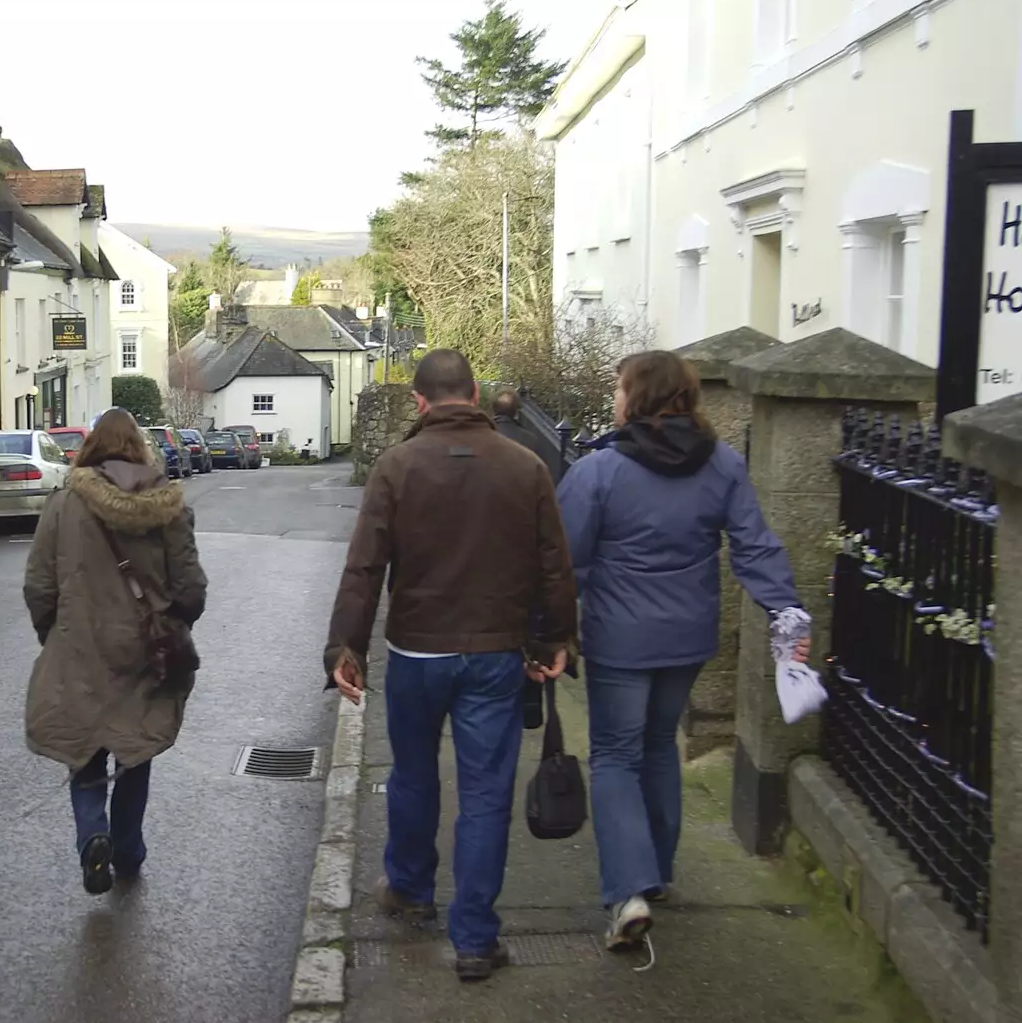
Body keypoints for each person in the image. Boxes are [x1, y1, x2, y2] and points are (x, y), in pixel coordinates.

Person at [324, 349, 577, 982]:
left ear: (419, 402)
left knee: (413, 777)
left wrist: (345, 648)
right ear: (476, 394)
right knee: (486, 794)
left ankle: (410, 889)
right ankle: (474, 938)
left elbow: (364, 567)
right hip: (495, 654)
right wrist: (554, 641)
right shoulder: (527, 467)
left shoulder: (396, 467)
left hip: (416, 651)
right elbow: (554, 564)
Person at [555, 350, 807, 952]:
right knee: (659, 745)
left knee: (615, 755)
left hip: (620, 638)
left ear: (637, 396)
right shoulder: (722, 465)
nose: (615, 398)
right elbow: (755, 546)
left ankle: (628, 891)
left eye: (619, 387)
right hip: (688, 637)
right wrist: (787, 612)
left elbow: (565, 563)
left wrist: (547, 632)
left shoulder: (599, 473)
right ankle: (657, 873)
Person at [23, 408, 208, 895]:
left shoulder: (63, 504)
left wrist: (55, 634)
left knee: (83, 748)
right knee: (134, 748)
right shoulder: (167, 505)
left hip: (79, 644)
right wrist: (172, 623)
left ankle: (93, 835)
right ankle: (128, 849)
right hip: (144, 648)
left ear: (90, 448)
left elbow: (39, 584)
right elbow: (191, 587)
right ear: (140, 449)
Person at [489, 388, 570, 731]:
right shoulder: (532, 444)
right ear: (520, 412)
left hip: (488, 546)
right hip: (524, 545)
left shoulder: (484, 441)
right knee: (528, 624)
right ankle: (531, 704)